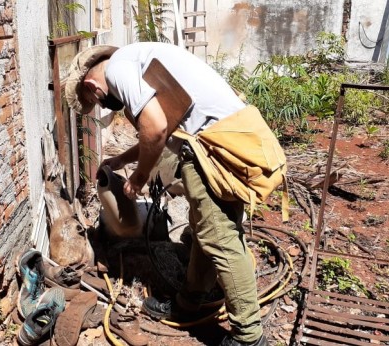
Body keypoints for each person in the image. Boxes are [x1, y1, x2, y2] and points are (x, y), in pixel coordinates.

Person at [65, 42, 268, 346]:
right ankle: (189, 303)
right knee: (206, 233)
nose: (102, 105)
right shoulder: (136, 59)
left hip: (213, 151)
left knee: (220, 239)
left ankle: (249, 337)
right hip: (223, 142)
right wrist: (122, 160)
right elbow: (162, 130)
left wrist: (140, 176)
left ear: (93, 86)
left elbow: (156, 129)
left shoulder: (120, 69)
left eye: (94, 101)